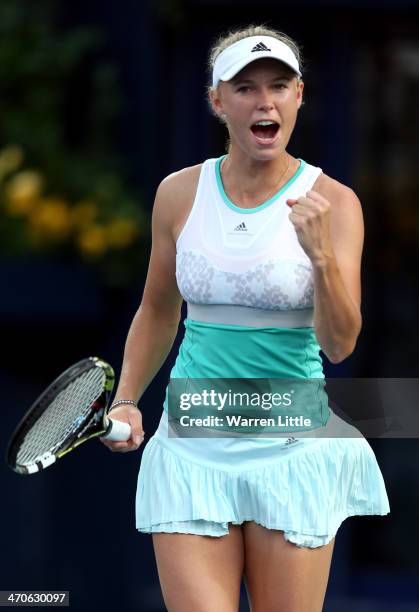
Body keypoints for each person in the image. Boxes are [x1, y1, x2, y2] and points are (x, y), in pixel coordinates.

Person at [100, 24, 390, 612]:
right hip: (192, 447)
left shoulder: (335, 203)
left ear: (299, 96)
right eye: (245, 88)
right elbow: (157, 308)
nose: (264, 101)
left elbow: (340, 345)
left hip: (292, 449)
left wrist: (322, 255)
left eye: (279, 86)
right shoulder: (179, 194)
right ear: (217, 102)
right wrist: (127, 396)